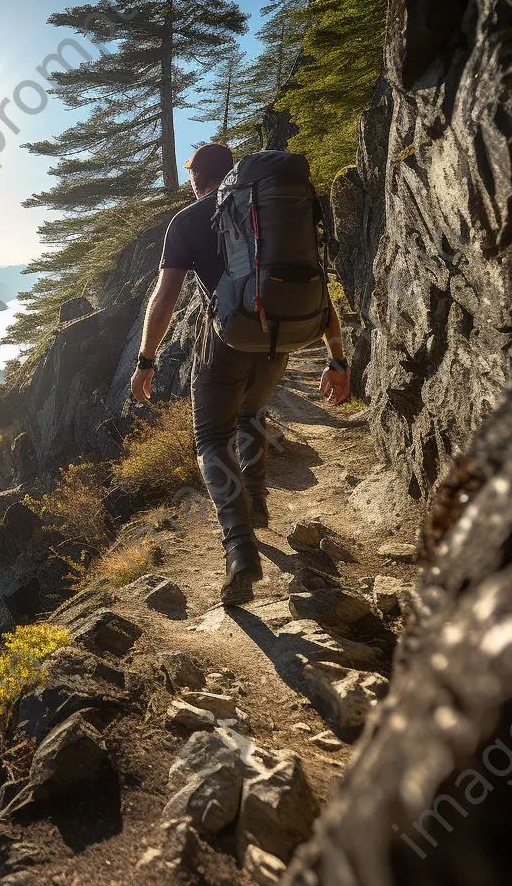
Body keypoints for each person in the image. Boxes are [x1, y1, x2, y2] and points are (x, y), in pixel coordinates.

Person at [130, 142, 351, 606]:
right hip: (281, 338)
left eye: (191, 176)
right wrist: (337, 359)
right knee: (250, 412)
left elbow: (165, 297)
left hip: (227, 341)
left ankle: (240, 548)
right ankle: (256, 498)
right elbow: (314, 281)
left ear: (198, 178)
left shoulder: (188, 220)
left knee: (211, 437)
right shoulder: (272, 213)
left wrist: (146, 360)